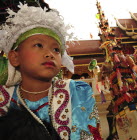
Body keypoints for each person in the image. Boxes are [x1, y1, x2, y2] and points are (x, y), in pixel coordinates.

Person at [0, 3, 101, 140]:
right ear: (15, 57)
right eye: (39, 45)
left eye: (56, 50)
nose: (50, 54)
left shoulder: (77, 92)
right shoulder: (3, 97)